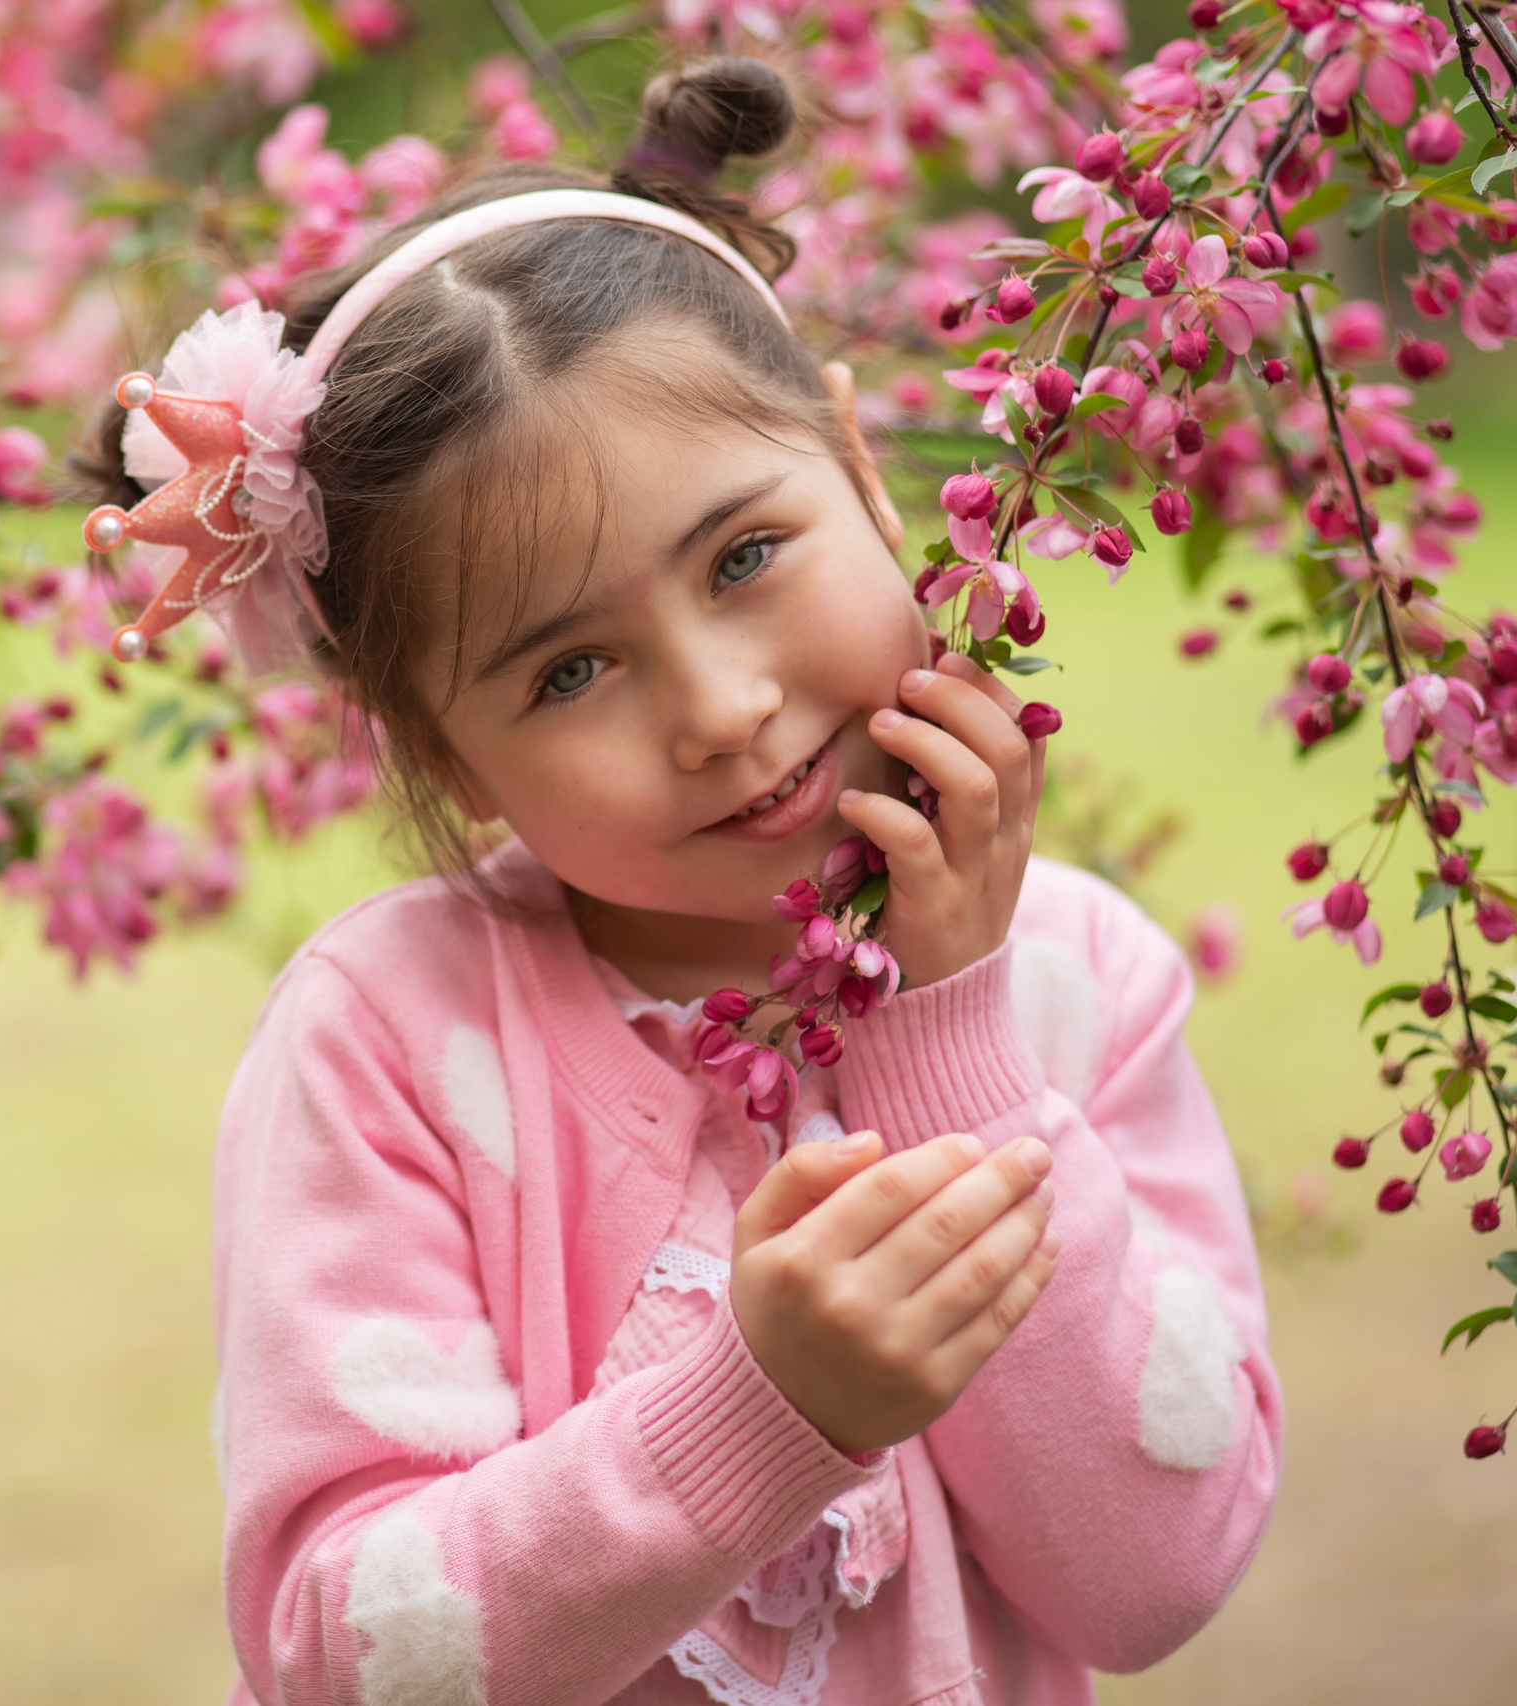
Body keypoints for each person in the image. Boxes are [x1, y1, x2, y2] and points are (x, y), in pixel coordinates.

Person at [77, 57, 1281, 1706]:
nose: (721, 712)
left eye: (743, 557)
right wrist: (757, 1415)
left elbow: (1155, 1579)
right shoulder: (391, 1044)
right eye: (569, 673)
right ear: (435, 751)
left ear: (862, 468)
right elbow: (343, 1654)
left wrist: (952, 1043)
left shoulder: (1079, 975)